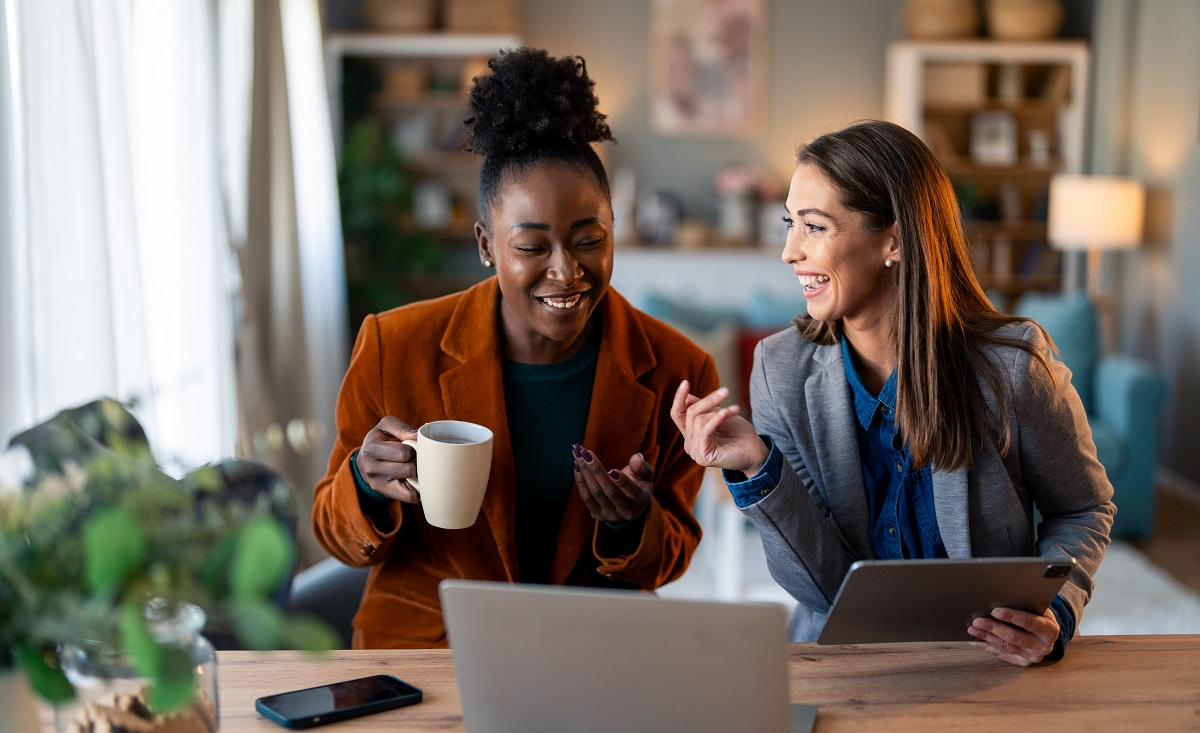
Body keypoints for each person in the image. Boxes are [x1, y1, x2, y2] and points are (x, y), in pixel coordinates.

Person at [312, 48, 719, 649]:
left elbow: (670, 557)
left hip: (594, 653)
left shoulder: (679, 371)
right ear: (486, 243)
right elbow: (333, 534)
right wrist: (366, 485)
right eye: (531, 247)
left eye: (590, 240)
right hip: (430, 657)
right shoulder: (393, 348)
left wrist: (634, 524)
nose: (566, 272)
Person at [671, 120, 1113, 667]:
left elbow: (1084, 507)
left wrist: (1055, 613)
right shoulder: (779, 370)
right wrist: (758, 467)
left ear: (894, 240)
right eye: (791, 224)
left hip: (988, 664)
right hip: (840, 660)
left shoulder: (1013, 367)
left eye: (813, 227)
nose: (789, 252)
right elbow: (821, 587)